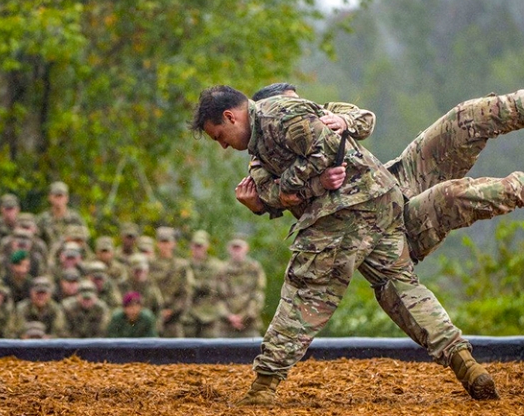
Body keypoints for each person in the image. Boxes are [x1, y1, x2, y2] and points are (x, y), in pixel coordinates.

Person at [192, 85, 501, 405]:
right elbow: (268, 193)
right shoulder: (259, 147)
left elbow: (327, 150)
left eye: (218, 136)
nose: (223, 146)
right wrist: (279, 194)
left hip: (345, 210)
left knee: (304, 293)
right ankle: (467, 365)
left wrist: (294, 186)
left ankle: (262, 389)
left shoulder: (279, 116)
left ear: (231, 117)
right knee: (400, 289)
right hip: (378, 204)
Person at [246, 51, 524, 262]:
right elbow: (278, 197)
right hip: (391, 225)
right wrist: (262, 202)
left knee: (465, 117)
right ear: (270, 115)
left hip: (397, 176)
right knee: (456, 194)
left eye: (299, 103)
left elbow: (365, 118)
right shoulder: (262, 160)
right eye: (290, 107)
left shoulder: (317, 113)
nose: (302, 111)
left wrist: (344, 119)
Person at [218, 236, 266, 338]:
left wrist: (243, 316)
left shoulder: (254, 268)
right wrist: (229, 316)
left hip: (250, 325)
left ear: (246, 248)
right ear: (229, 249)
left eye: (239, 248)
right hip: (226, 326)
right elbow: (216, 297)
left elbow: (258, 294)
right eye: (234, 248)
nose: (237, 251)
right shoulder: (222, 270)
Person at [151, 226, 193, 338]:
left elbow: (186, 293)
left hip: (174, 320)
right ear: (157, 244)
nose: (165, 245)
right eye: (162, 242)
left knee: (176, 352)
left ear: (173, 243)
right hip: (152, 319)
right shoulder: (149, 264)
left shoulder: (181, 266)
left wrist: (172, 310)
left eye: (167, 242)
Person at [183, 230, 224, 338]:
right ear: (191, 246)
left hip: (209, 316)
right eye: (195, 245)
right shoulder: (184, 266)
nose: (198, 249)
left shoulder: (216, 266)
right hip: (188, 316)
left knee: (210, 350)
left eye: (200, 245)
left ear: (207, 246)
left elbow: (215, 287)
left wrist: (194, 284)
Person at [35, 181, 86, 247]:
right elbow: (36, 239)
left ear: (67, 198)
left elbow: (84, 237)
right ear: (49, 197)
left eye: (61, 196)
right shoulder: (43, 219)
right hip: (48, 255)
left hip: (71, 254)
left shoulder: (75, 218)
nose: (59, 199)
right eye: (56, 196)